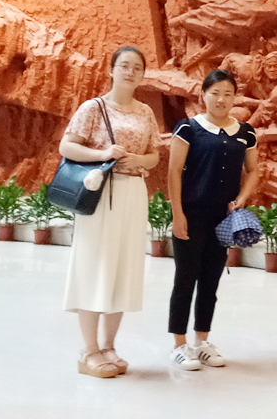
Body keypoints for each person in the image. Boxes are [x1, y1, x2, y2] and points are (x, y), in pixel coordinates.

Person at [60, 46, 162, 379]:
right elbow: (67, 146)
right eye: (124, 66)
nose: (130, 72)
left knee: (123, 266)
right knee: (95, 265)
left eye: (137, 68)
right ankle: (89, 350)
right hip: (100, 193)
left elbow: (154, 155)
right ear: (111, 69)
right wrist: (104, 154)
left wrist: (139, 160)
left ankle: (109, 346)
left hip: (133, 192)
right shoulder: (94, 107)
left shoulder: (145, 112)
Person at [167, 69, 260, 370]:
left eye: (227, 94)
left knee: (210, 281)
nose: (221, 99)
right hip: (191, 215)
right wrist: (178, 214)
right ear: (203, 95)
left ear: (234, 98)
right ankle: (179, 345)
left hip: (223, 219)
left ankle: (202, 342)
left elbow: (253, 170)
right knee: (185, 279)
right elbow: (173, 172)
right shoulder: (189, 128)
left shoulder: (245, 132)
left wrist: (242, 198)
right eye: (215, 93)